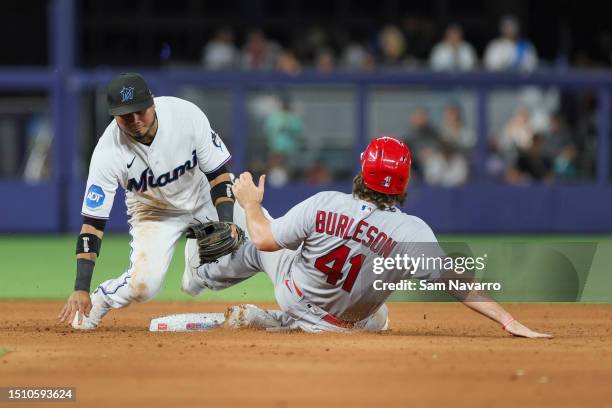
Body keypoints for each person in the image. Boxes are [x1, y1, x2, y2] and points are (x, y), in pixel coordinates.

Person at [183, 136, 551, 337]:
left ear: (362, 171)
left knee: (256, 239)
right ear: (404, 183)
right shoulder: (412, 231)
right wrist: (507, 320)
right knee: (380, 315)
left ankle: (199, 277)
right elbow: (458, 282)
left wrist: (250, 204)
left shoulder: (324, 202)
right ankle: (288, 323)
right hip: (344, 326)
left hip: (295, 295)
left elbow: (264, 239)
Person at [58, 73, 249, 330]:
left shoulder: (186, 116)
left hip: (202, 195)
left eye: (140, 111)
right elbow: (92, 225)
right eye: (126, 115)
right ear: (114, 115)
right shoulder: (107, 153)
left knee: (257, 236)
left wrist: (226, 222)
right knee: (143, 287)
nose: (136, 121)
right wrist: (81, 287)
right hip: (153, 211)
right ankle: (101, 300)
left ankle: (198, 274)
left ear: (152, 103)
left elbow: (218, 174)